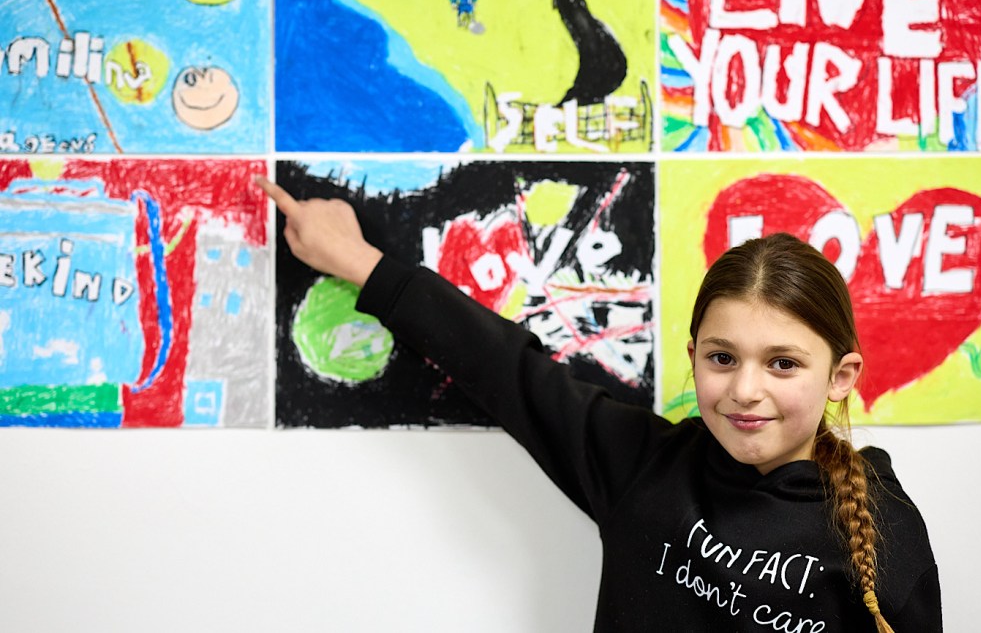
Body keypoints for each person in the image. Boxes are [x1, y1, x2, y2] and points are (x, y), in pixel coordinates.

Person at [256, 176, 942, 632]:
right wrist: (359, 261)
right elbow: (506, 369)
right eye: (722, 357)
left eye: (782, 363)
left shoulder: (883, 528)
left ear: (841, 375)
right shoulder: (641, 464)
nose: (744, 389)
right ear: (694, 355)